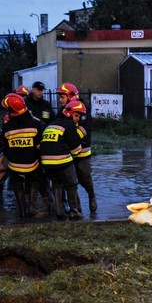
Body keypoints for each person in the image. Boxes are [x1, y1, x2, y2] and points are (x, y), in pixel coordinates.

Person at [0, 93, 44, 218]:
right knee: (35, 181)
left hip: (14, 166)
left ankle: (22, 212)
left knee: (16, 184)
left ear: (11, 111)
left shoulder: (7, 127)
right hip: (33, 165)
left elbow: (4, 148)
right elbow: (41, 144)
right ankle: (31, 207)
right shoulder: (36, 124)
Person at [40, 100, 84, 220]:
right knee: (72, 184)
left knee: (56, 184)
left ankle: (59, 211)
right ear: (69, 114)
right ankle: (74, 210)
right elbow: (76, 149)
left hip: (46, 162)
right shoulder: (69, 125)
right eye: (76, 115)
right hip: (62, 160)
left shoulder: (52, 124)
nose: (77, 119)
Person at [56, 82, 95, 212]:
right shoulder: (62, 111)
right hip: (68, 152)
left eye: (62, 97)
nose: (60, 100)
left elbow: (83, 130)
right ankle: (76, 207)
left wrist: (69, 137)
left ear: (71, 96)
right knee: (71, 180)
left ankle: (91, 196)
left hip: (82, 151)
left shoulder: (83, 110)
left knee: (85, 177)